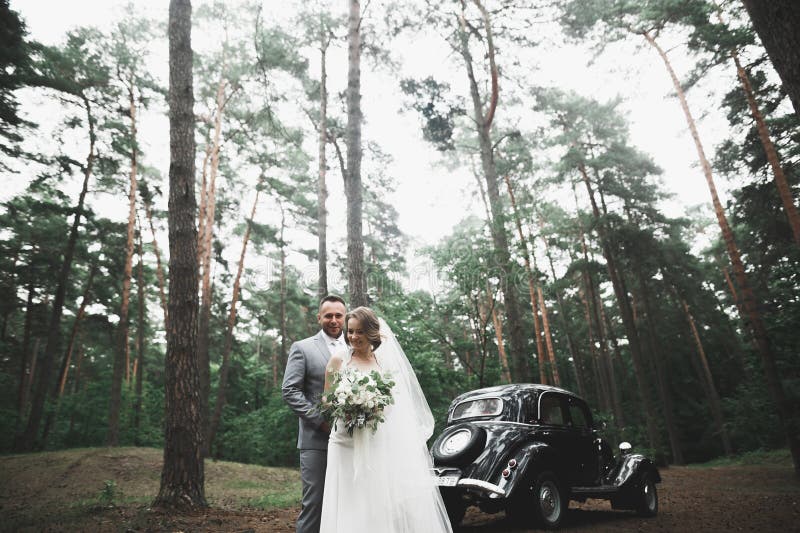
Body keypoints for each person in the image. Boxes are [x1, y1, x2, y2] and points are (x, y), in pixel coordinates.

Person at [320, 306, 452, 533]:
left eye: (359, 332)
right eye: (350, 332)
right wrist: (347, 405)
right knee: (347, 495)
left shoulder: (384, 363)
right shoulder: (337, 361)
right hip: (343, 441)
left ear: (371, 332)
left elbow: (393, 404)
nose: (353, 337)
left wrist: (372, 410)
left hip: (375, 440)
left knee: (374, 497)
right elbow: (326, 400)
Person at [282, 295, 347, 533]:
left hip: (352, 441)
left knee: (349, 503)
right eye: (328, 315)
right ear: (319, 317)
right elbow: (290, 391)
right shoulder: (303, 347)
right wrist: (321, 422)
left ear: (345, 317)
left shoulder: (356, 346)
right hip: (316, 439)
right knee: (315, 503)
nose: (333, 320)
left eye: (338, 315)